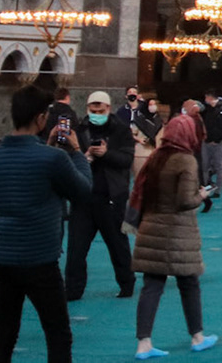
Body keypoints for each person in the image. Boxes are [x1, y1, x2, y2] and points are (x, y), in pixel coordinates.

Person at [0, 83, 92, 363]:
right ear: (41, 118)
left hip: (3, 255)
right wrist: (77, 153)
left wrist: (47, 148)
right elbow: (82, 191)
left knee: (4, 331)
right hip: (39, 257)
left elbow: (24, 171)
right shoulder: (53, 158)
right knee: (57, 333)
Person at [128, 112, 218, 357]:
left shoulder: (156, 157)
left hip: (151, 229)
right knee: (189, 283)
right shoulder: (186, 160)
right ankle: (197, 336)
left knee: (152, 286)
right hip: (178, 233)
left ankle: (143, 343)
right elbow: (185, 200)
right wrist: (202, 195)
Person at [65, 89, 136, 300]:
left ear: (108, 109)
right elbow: (65, 158)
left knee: (118, 246)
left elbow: (126, 160)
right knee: (76, 250)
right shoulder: (78, 130)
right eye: (92, 109)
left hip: (111, 198)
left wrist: (106, 155)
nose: (96, 113)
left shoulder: (121, 130)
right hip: (84, 199)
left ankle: (126, 285)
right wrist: (83, 156)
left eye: (100, 110)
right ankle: (73, 290)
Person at [199, 93, 222, 192]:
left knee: (218, 166)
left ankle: (218, 189)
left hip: (218, 143)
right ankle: (206, 186)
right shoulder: (207, 110)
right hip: (207, 141)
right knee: (205, 165)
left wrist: (216, 140)